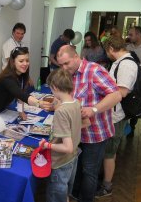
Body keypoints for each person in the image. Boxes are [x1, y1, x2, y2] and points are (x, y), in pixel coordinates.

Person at [56, 45, 122, 202]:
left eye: (66, 63)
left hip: (96, 134)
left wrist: (94, 109)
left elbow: (116, 95)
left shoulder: (94, 71)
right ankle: (76, 196)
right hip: (78, 133)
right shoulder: (68, 74)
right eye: (60, 65)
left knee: (89, 171)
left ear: (76, 57)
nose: (63, 68)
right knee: (78, 168)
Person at [95, 36, 138, 198]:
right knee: (107, 150)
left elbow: (121, 93)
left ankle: (107, 186)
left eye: (107, 51)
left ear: (112, 48)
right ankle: (104, 177)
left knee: (110, 152)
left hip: (116, 115)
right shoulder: (120, 62)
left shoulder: (127, 64)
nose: (108, 54)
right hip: (112, 114)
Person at [39, 68, 82, 202]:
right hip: (72, 158)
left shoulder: (61, 112)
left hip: (60, 162)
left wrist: (47, 145)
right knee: (65, 193)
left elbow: (67, 147)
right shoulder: (75, 102)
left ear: (55, 88)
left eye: (51, 89)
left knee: (56, 196)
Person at [0, 47, 51, 118]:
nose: (25, 64)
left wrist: (21, 112)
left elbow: (20, 96)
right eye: (21, 61)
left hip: (4, 106)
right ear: (13, 62)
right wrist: (38, 103)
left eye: (27, 60)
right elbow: (21, 94)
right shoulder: (7, 78)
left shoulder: (22, 74)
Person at [126, 26, 141, 137]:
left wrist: (136, 63)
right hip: (126, 79)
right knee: (125, 102)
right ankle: (124, 127)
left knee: (135, 104)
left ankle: (132, 127)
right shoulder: (127, 46)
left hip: (140, 81)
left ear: (138, 35)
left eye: (131, 34)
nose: (128, 36)